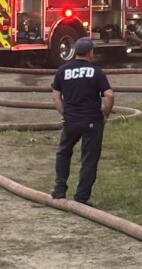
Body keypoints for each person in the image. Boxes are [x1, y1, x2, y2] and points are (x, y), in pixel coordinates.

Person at [50, 37, 113, 205]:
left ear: (76, 52)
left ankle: (59, 190)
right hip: (92, 121)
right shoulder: (96, 72)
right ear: (90, 53)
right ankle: (81, 197)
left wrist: (64, 112)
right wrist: (105, 114)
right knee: (89, 158)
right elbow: (109, 95)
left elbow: (55, 95)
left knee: (63, 152)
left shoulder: (63, 70)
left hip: (71, 120)